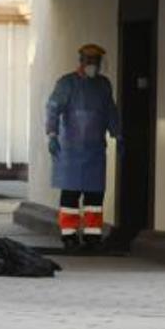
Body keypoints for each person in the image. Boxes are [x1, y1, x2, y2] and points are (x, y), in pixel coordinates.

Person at [45, 43, 121, 251]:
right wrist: (52, 134)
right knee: (70, 194)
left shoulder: (104, 85)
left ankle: (92, 235)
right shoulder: (67, 83)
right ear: (81, 62)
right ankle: (68, 235)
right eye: (89, 61)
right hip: (69, 149)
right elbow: (52, 108)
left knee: (94, 196)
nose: (93, 66)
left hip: (95, 149)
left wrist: (118, 133)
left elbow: (110, 111)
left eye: (96, 62)